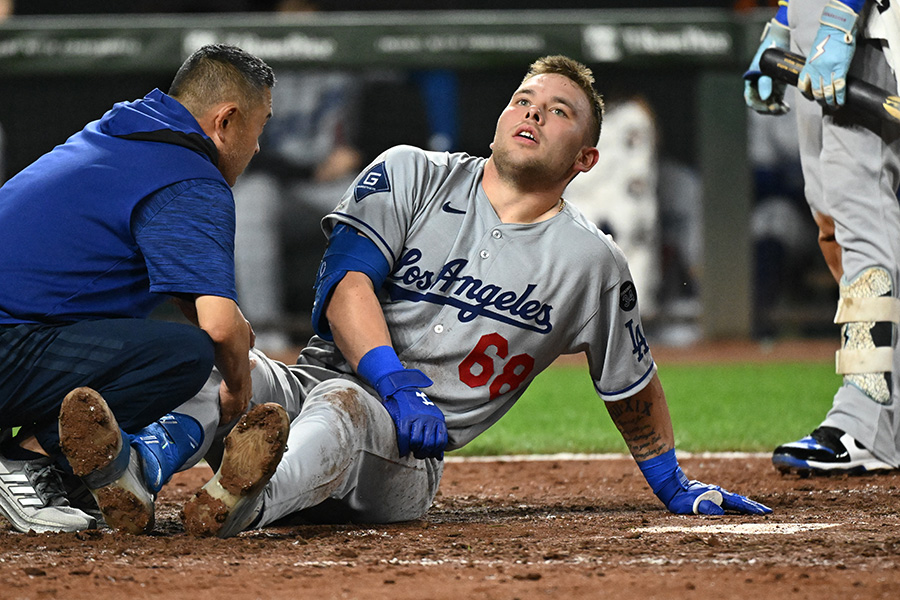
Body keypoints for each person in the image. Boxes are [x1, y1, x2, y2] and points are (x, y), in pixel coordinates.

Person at [175, 55, 771, 539]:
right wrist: (393, 381)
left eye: (557, 112)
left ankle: (238, 504)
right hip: (309, 390)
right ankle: (124, 472)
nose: (532, 115)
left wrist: (671, 483)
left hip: (406, 458)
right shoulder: (410, 172)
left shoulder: (592, 264)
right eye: (523, 102)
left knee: (343, 406)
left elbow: (630, 384)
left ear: (586, 158)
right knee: (199, 355)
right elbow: (346, 285)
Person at [0, 43, 285, 536]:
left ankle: (80, 471)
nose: (258, 147)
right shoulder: (189, 176)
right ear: (227, 121)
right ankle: (26, 463)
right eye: (259, 128)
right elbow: (217, 325)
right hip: (10, 346)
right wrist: (238, 389)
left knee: (150, 339)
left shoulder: (122, 134)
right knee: (184, 355)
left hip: (17, 339)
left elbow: (191, 297)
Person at [744, 0, 900, 473]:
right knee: (832, 223)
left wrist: (843, 12)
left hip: (867, 33)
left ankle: (867, 418)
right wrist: (787, 23)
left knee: (862, 218)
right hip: (820, 37)